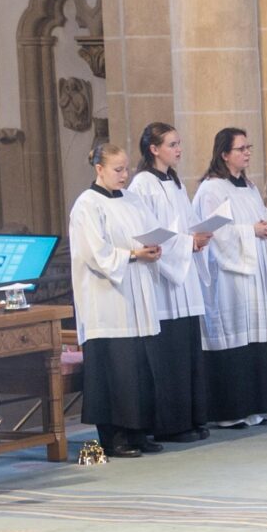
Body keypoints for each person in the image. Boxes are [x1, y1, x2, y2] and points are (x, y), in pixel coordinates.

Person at [69, 142, 163, 457]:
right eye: (118, 169)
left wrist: (153, 248)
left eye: (126, 169)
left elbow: (149, 233)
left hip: (136, 295)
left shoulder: (132, 200)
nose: (124, 175)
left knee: (139, 367)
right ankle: (114, 437)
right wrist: (134, 254)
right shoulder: (87, 205)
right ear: (99, 169)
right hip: (106, 300)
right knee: (115, 370)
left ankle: (139, 432)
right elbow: (96, 253)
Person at [192, 127, 267, 428]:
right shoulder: (211, 189)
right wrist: (251, 231)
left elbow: (258, 220)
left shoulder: (248, 186)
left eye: (249, 147)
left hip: (255, 273)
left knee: (255, 338)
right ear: (224, 154)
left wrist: (266, 227)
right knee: (234, 337)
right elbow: (213, 232)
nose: (247, 153)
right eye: (241, 149)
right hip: (229, 278)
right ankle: (229, 411)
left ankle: (253, 407)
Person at [129, 123, 210, 444]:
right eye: (172, 144)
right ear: (154, 149)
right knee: (169, 356)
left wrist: (197, 238)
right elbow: (147, 232)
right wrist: (186, 242)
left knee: (187, 352)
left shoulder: (174, 181)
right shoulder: (142, 184)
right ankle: (170, 425)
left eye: (179, 143)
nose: (179, 149)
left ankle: (191, 418)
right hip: (162, 281)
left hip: (184, 277)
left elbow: (184, 223)